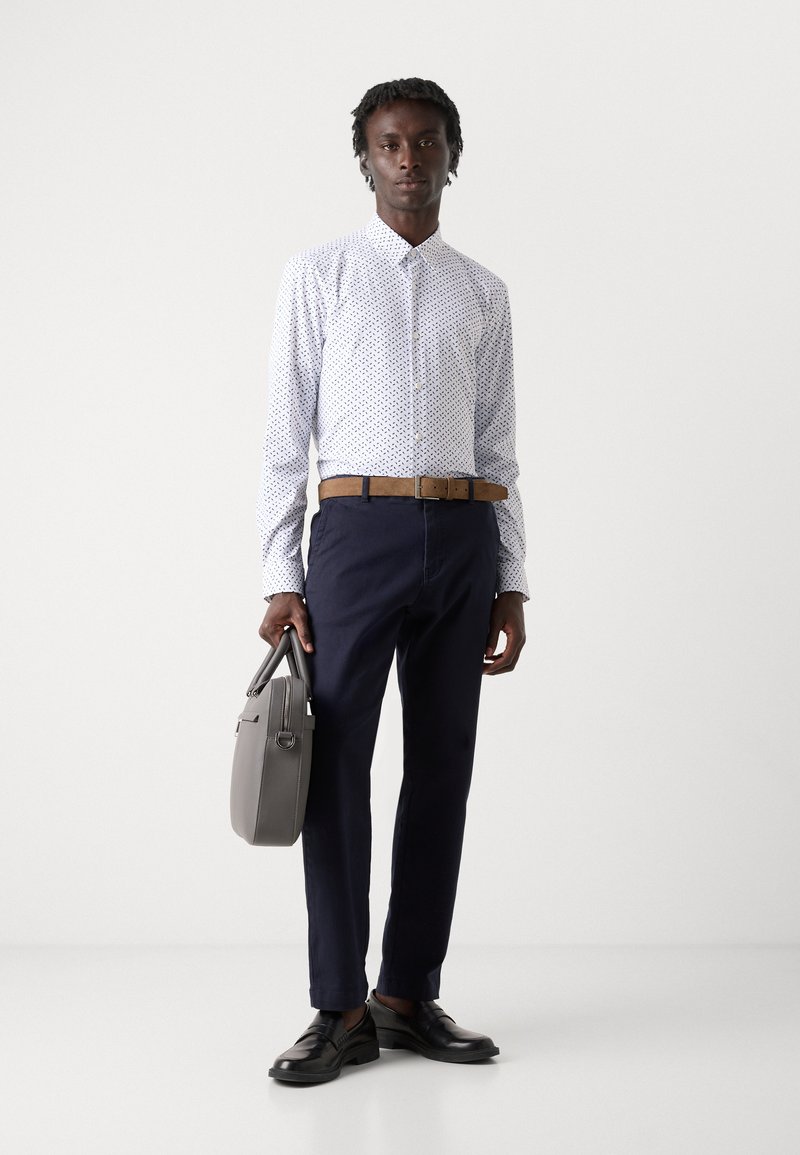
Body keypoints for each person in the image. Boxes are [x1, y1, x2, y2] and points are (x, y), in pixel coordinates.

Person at [256, 77, 529, 1084]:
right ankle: (339, 1007)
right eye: (388, 143)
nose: (408, 158)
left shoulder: (483, 292)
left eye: (425, 141)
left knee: (442, 765)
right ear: (365, 157)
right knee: (335, 765)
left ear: (452, 154)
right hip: (355, 536)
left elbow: (499, 445)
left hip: (462, 535)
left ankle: (406, 995)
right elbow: (283, 437)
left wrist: (512, 576)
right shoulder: (319, 274)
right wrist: (279, 572)